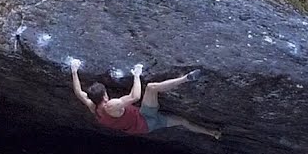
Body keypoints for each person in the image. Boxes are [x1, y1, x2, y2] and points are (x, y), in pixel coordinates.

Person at [69, 59, 220, 139]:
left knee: (182, 122)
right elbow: (135, 96)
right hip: (145, 117)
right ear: (105, 96)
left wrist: (74, 71)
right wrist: (136, 75)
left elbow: (79, 92)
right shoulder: (112, 105)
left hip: (143, 128)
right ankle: (186, 78)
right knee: (151, 87)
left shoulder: (92, 107)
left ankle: (213, 133)